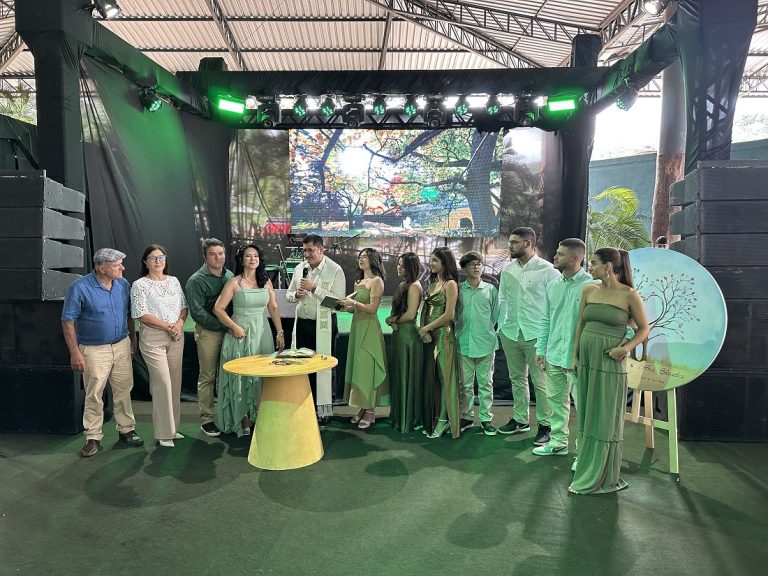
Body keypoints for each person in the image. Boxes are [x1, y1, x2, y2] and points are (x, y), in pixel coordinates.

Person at [568, 248, 650, 495]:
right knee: (587, 413)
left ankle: (602, 473)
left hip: (610, 362)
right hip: (587, 360)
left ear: (609, 267)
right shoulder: (588, 290)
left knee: (605, 417)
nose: (589, 267)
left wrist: (625, 349)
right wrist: (574, 355)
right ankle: (586, 463)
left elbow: (644, 329)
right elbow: (581, 324)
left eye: (593, 263)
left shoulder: (629, 294)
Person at [61, 248, 144, 457]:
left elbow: (128, 314)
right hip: (93, 350)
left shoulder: (123, 284)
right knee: (94, 394)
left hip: (122, 344)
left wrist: (132, 339)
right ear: (101, 268)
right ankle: (93, 437)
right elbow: (68, 321)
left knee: (123, 390)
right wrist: (74, 352)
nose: (122, 268)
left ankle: (126, 429)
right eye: (117, 265)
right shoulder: (79, 288)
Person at [214, 244, 285, 436]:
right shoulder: (234, 283)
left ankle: (259, 416)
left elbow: (273, 307)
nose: (252, 259)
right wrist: (233, 326)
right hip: (241, 334)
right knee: (242, 376)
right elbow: (218, 309)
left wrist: (280, 331)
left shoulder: (266, 282)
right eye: (248, 256)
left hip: (262, 333)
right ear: (242, 260)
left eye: (255, 256)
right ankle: (242, 417)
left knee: (261, 376)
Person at [497, 227, 561, 444]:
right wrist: (502, 326)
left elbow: (556, 304)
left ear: (528, 243)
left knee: (540, 382)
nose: (510, 246)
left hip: (537, 335)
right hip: (511, 332)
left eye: (514, 242)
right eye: (510, 242)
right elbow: (503, 299)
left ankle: (546, 425)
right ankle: (520, 419)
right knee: (516, 379)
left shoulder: (548, 270)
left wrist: (550, 334)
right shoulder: (508, 270)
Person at [533, 238, 595, 457]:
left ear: (575, 258)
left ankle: (584, 452)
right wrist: (541, 349)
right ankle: (558, 442)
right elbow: (546, 319)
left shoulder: (592, 285)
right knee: (556, 402)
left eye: (560, 254)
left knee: (584, 406)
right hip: (554, 354)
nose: (555, 256)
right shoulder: (553, 285)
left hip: (579, 358)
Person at [130, 245, 188, 447]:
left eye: (161, 257)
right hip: (153, 339)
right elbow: (142, 314)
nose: (157, 261)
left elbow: (183, 307)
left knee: (175, 383)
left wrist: (178, 325)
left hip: (176, 336)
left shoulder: (174, 281)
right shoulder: (139, 285)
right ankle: (163, 434)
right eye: (153, 258)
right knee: (162, 383)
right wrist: (168, 327)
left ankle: (173, 429)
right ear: (145, 262)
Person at [286, 234, 346, 424]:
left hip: (323, 326)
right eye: (304, 250)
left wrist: (314, 289)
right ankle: (305, 406)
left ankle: (324, 410)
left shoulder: (335, 270)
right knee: (303, 365)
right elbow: (289, 294)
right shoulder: (299, 268)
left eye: (310, 250)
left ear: (321, 249)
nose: (306, 254)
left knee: (323, 366)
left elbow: (338, 303)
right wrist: (296, 295)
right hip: (302, 325)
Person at [185, 238, 234, 437]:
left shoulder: (229, 275)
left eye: (220, 253)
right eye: (213, 254)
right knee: (208, 376)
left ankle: (227, 414)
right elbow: (198, 313)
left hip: (229, 330)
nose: (218, 257)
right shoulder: (195, 281)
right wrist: (224, 325)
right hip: (209, 332)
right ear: (205, 257)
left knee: (228, 374)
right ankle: (207, 419)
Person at [339, 248, 389, 430]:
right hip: (357, 327)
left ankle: (370, 410)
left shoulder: (377, 281)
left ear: (373, 260)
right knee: (359, 369)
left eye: (365, 257)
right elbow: (356, 309)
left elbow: (372, 309)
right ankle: (363, 406)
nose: (361, 259)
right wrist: (345, 307)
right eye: (360, 257)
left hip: (369, 329)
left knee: (368, 369)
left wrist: (353, 302)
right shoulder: (358, 282)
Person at [419, 247, 461, 439]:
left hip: (444, 337)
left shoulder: (450, 284)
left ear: (445, 262)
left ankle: (444, 420)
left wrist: (426, 328)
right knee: (433, 379)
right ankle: (434, 417)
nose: (431, 263)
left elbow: (449, 315)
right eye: (431, 259)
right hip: (428, 337)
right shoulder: (433, 282)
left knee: (445, 380)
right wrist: (423, 331)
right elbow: (425, 311)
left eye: (435, 260)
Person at [456, 251, 499, 436]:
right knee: (464, 385)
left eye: (479, 264)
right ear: (464, 269)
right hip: (463, 343)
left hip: (486, 343)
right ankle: (466, 416)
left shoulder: (491, 290)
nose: (476, 267)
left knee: (485, 384)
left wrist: (486, 330)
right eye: (471, 264)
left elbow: (495, 315)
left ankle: (486, 419)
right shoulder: (458, 290)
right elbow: (454, 315)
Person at [385, 252, 424, 433]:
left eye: (402, 265)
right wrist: (394, 321)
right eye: (398, 264)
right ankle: (399, 416)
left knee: (407, 375)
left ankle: (408, 419)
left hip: (408, 337)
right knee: (400, 375)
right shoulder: (403, 285)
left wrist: (392, 320)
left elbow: (410, 314)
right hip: (399, 335)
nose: (398, 267)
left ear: (410, 266)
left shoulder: (415, 286)